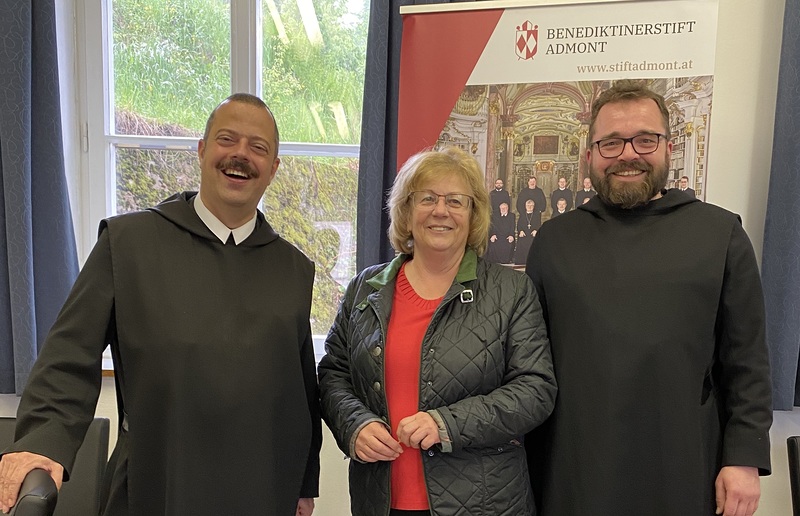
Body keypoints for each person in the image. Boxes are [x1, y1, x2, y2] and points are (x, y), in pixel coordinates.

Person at [0, 93, 321, 516]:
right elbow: (68, 357)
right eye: (227, 139)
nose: (241, 155)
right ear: (202, 150)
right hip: (158, 482)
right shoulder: (127, 244)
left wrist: (303, 483)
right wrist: (41, 444)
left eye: (258, 147)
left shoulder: (294, 269)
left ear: (273, 168)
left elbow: (298, 388)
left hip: (261, 487)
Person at [525, 80, 772, 516]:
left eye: (645, 139)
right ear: (589, 156)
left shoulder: (721, 235)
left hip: (683, 459)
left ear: (668, 149)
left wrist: (744, 457)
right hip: (575, 463)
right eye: (611, 142)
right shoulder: (553, 241)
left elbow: (747, 359)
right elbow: (529, 364)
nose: (628, 154)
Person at [318, 146, 556, 516]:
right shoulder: (365, 288)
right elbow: (334, 373)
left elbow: (535, 390)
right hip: (379, 501)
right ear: (406, 210)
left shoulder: (512, 292)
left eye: (455, 201)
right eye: (427, 198)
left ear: (473, 214)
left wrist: (447, 423)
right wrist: (353, 425)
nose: (440, 210)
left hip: (483, 503)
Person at [514, 198, 539, 265]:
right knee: (522, 241)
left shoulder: (537, 215)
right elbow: (519, 224)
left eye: (531, 206)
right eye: (528, 205)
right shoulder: (522, 215)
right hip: (524, 234)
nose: (529, 207)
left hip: (532, 234)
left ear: (534, 206)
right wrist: (521, 231)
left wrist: (536, 230)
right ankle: (521, 261)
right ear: (525, 206)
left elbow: (538, 224)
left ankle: (532, 261)